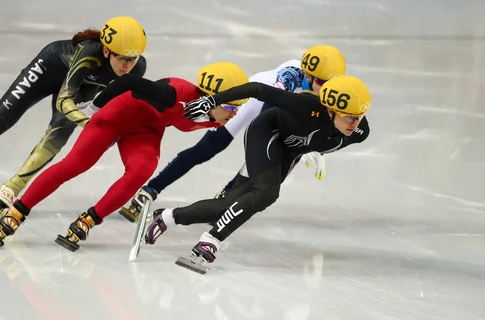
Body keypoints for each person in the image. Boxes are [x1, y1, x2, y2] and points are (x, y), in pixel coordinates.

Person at [0, 16, 148, 220]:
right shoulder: (88, 53)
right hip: (50, 68)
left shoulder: (137, 68)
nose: (128, 65)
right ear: (106, 50)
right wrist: (91, 123)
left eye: (133, 58)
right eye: (122, 58)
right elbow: (64, 101)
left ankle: (13, 187)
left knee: (58, 137)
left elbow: (116, 102)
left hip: (84, 87)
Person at [0, 62, 250, 250]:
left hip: (146, 130)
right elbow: (128, 81)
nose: (234, 113)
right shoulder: (173, 95)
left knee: (142, 171)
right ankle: (19, 211)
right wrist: (94, 107)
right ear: (209, 98)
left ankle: (88, 220)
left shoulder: (217, 116)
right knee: (76, 165)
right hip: (117, 114)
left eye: (238, 106)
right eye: (230, 106)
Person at [145, 75, 372, 273]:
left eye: (359, 116)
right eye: (349, 117)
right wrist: (211, 100)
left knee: (230, 206)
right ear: (331, 110)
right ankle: (210, 240)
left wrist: (316, 150)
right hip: (268, 132)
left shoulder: (360, 132)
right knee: (266, 193)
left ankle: (169, 217)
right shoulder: (304, 106)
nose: (354, 123)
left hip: (290, 152)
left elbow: (321, 138)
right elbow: (257, 89)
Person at [120, 45, 346, 223]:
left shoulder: (329, 88)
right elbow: (270, 115)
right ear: (308, 75)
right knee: (209, 148)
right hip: (255, 100)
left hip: (284, 109)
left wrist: (316, 146)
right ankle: (150, 190)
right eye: (323, 83)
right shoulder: (290, 76)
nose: (327, 88)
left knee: (269, 163)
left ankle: (225, 199)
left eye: (331, 83)